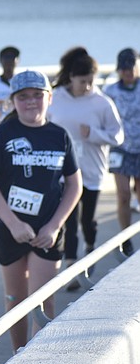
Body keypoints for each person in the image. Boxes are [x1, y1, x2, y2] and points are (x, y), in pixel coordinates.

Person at [0, 70, 82, 351]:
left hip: (47, 229)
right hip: (11, 228)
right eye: (23, 97)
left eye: (38, 95)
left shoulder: (59, 136)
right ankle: (17, 353)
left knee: (43, 299)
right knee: (15, 298)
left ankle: (35, 359)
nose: (31, 102)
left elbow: (75, 185)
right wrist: (13, 223)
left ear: (49, 98)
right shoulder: (3, 134)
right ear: (13, 101)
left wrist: (55, 225)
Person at [48, 47, 124, 290]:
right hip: (62, 173)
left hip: (92, 171)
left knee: (87, 221)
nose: (87, 86)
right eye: (83, 82)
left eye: (91, 81)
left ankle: (90, 248)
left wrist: (94, 134)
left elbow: (118, 136)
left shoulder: (102, 103)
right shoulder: (55, 97)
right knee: (69, 219)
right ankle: (71, 266)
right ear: (71, 77)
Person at [104, 47, 140, 256]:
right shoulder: (111, 92)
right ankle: (125, 238)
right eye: (124, 67)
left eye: (131, 66)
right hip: (119, 148)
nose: (128, 71)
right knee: (124, 194)